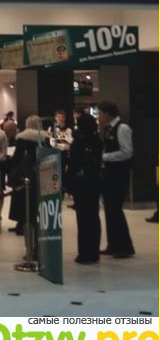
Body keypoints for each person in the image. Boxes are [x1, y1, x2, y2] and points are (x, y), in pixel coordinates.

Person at [98, 101, 135, 258]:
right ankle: (113, 244)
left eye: (100, 113)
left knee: (115, 210)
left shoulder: (122, 128)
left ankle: (125, 246)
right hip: (110, 174)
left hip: (119, 175)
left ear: (107, 113)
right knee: (110, 210)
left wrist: (105, 157)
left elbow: (127, 152)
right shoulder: (108, 129)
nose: (99, 117)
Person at [67, 113, 102, 264]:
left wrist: (67, 181)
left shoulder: (79, 141)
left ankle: (84, 253)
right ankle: (94, 252)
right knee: (93, 216)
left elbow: (74, 163)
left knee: (83, 218)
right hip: (94, 181)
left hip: (81, 183)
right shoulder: (97, 140)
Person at [7, 115, 47, 246]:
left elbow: (16, 160)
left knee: (26, 217)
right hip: (41, 179)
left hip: (24, 180)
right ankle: (40, 246)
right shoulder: (45, 139)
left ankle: (29, 247)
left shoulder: (22, 138)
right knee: (38, 215)